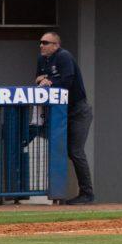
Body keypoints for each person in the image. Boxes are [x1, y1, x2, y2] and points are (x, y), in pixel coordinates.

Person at [36, 32, 94, 205]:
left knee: (75, 151)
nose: (41, 45)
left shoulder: (63, 56)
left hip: (78, 110)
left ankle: (87, 193)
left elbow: (67, 82)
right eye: (40, 42)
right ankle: (58, 194)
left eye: (45, 42)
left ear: (56, 45)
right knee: (59, 148)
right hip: (59, 112)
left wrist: (48, 80)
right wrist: (46, 79)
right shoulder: (42, 60)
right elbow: (38, 80)